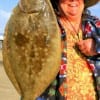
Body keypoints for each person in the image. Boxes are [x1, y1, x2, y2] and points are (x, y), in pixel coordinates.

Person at [36, 0, 100, 100]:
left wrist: (96, 46)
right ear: (57, 1)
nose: (73, 0)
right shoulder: (43, 27)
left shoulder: (96, 25)